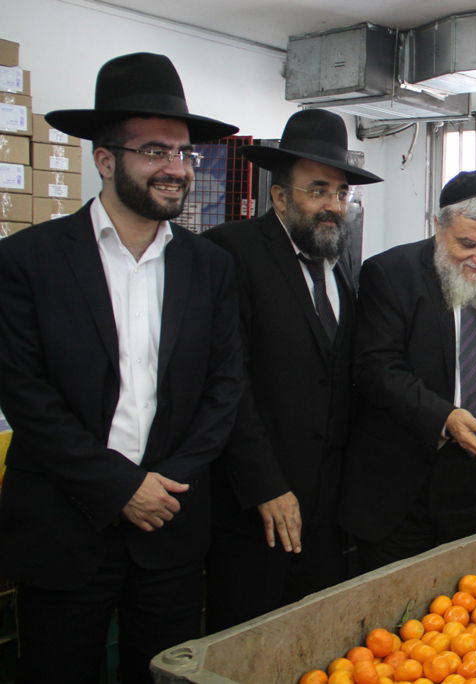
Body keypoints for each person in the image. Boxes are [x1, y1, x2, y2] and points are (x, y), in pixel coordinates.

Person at [0, 53, 242, 683]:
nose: (175, 168)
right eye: (155, 150)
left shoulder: (209, 266)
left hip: (172, 526)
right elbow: (25, 395)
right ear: (104, 159)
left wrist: (167, 484)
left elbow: (224, 388)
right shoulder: (27, 262)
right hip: (63, 527)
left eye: (185, 153)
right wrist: (119, 487)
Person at [202, 109, 383, 632]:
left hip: (327, 503)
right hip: (255, 497)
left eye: (341, 193)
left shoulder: (339, 258)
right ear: (280, 197)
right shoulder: (231, 253)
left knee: (314, 637)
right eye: (317, 190)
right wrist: (264, 485)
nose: (333, 206)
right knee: (249, 633)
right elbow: (226, 383)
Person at [341, 171, 476, 571]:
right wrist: (443, 416)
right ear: (438, 228)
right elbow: (376, 368)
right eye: (468, 244)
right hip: (411, 477)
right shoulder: (392, 274)